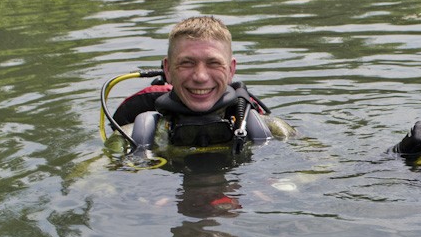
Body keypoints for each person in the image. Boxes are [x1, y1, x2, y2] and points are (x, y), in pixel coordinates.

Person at [108, 16, 294, 158]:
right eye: (187, 63)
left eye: (214, 63)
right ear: (167, 69)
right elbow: (94, 179)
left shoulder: (272, 130)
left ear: (231, 70)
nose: (200, 77)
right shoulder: (130, 137)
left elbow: (317, 164)